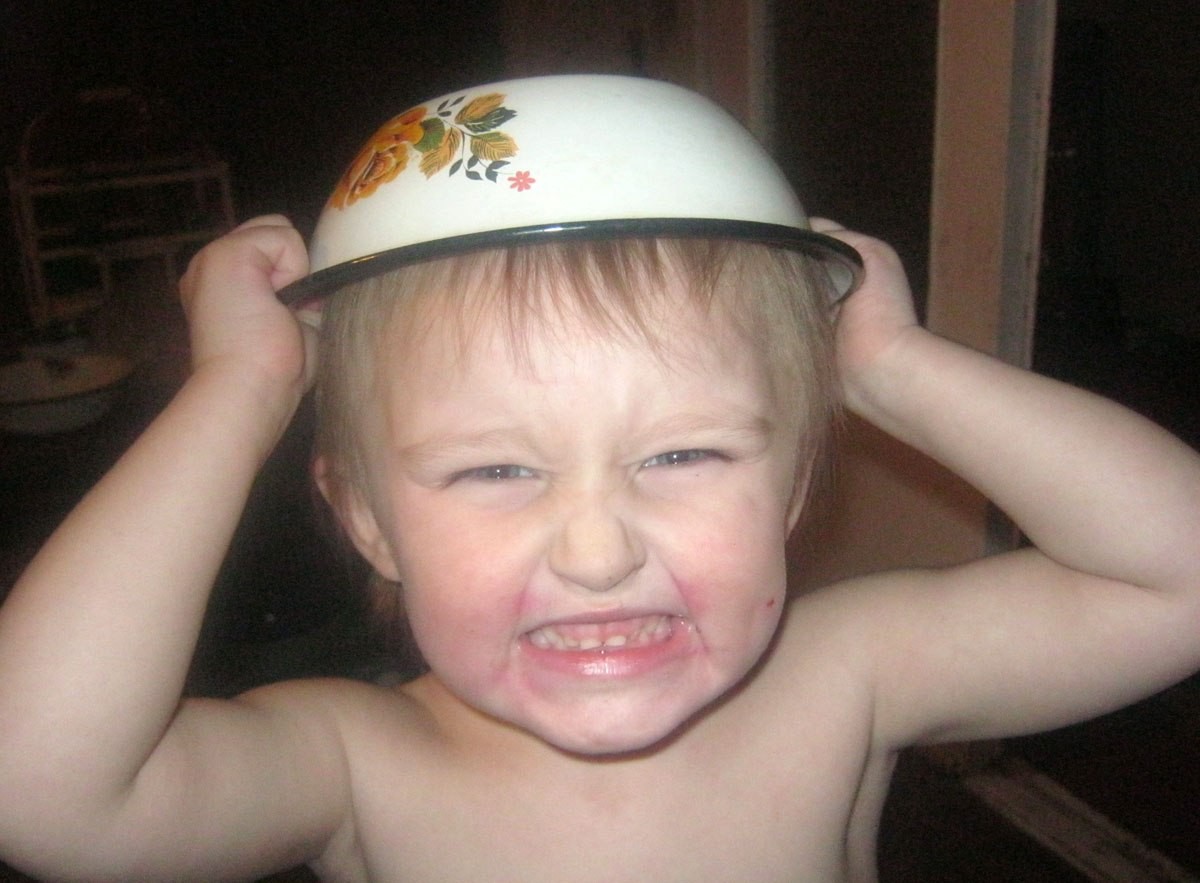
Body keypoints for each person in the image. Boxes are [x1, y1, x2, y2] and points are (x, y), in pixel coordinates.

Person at [0, 74, 1198, 883]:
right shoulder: (357, 762)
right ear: (367, 519)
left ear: (791, 487)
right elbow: (40, 790)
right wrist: (236, 392)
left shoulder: (845, 679)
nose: (598, 550)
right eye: (495, 467)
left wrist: (893, 368)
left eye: (682, 454)